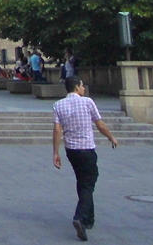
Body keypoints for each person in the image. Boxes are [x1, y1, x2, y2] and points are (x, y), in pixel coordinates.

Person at [52, 76, 119, 241]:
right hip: (87, 149)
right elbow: (100, 124)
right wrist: (111, 137)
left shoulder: (58, 105)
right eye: (82, 86)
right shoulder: (88, 102)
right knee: (89, 182)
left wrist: (56, 152)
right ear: (76, 87)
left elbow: (57, 130)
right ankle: (80, 217)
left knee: (83, 181)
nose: (84, 88)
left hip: (71, 150)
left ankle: (89, 218)